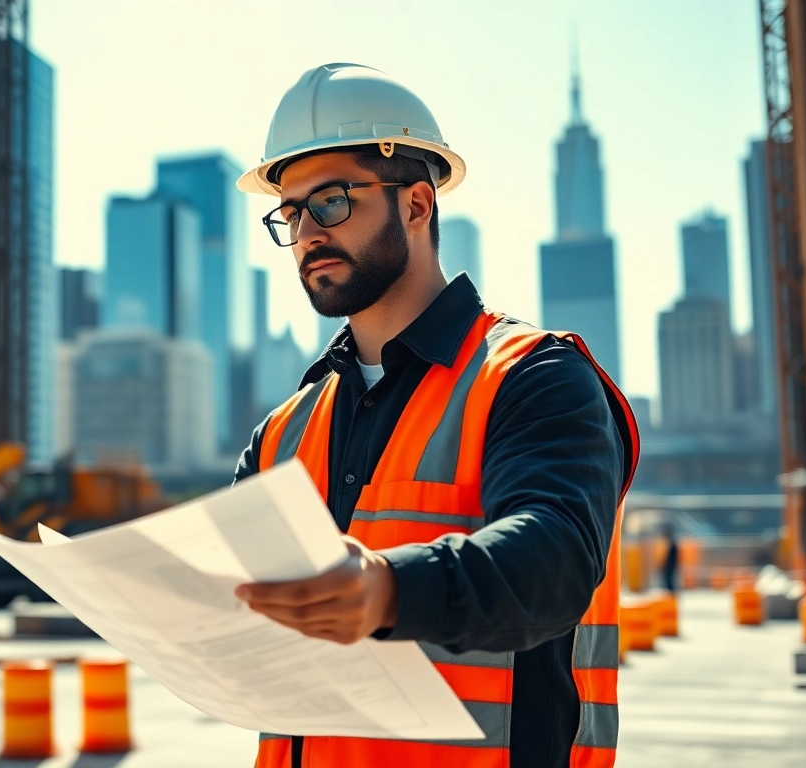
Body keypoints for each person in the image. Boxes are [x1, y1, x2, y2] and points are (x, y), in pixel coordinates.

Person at [231, 64, 638, 768]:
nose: (305, 235)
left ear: (416, 205)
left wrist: (387, 591)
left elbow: (556, 558)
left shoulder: (531, 376)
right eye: (290, 214)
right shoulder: (280, 435)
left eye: (329, 203)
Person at [662, 523, 680, 593]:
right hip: (670, 565)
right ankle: (670, 592)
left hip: (670, 565)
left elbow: (671, 557)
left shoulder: (672, 544)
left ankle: (671, 592)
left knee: (669, 579)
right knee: (669, 579)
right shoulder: (672, 543)